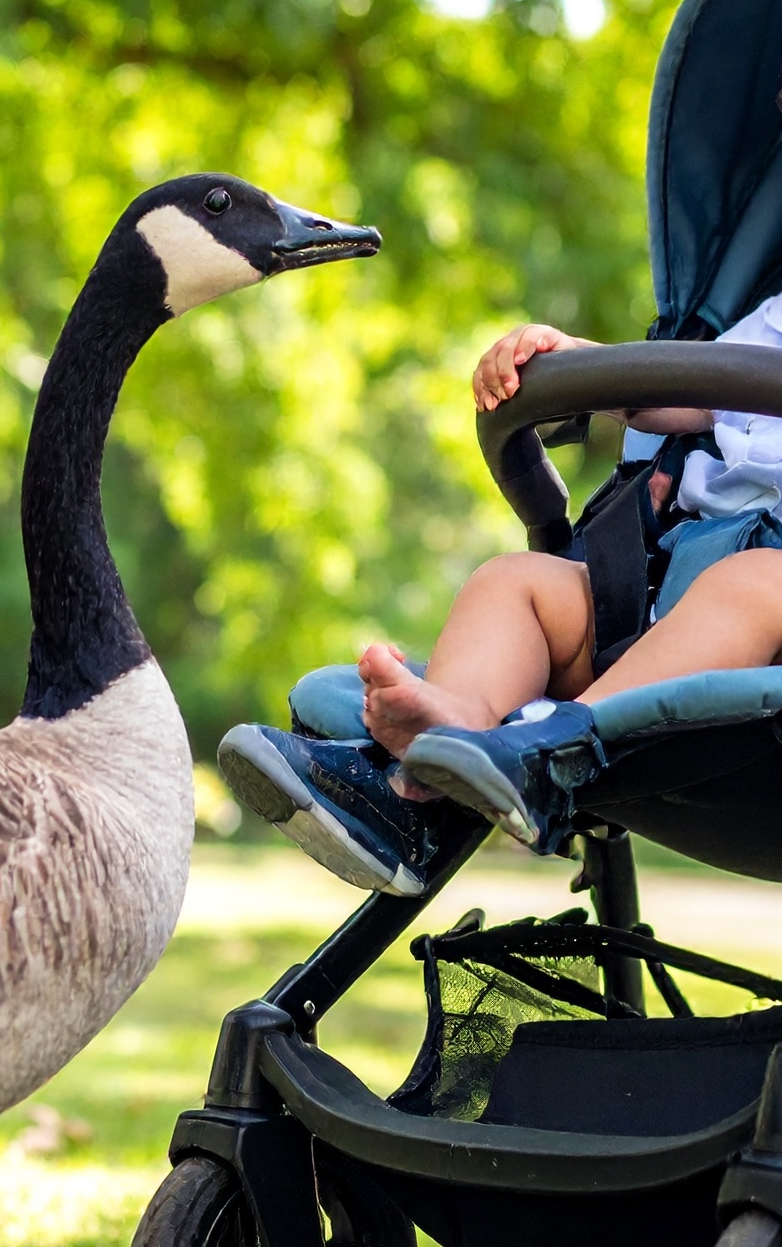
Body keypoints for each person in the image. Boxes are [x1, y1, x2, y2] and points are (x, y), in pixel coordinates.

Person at [220, 298, 782, 895]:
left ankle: (552, 752)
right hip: (661, 588)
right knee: (516, 581)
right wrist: (581, 363)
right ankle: (450, 737)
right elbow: (688, 388)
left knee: (756, 580)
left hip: (764, 627)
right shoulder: (772, 317)